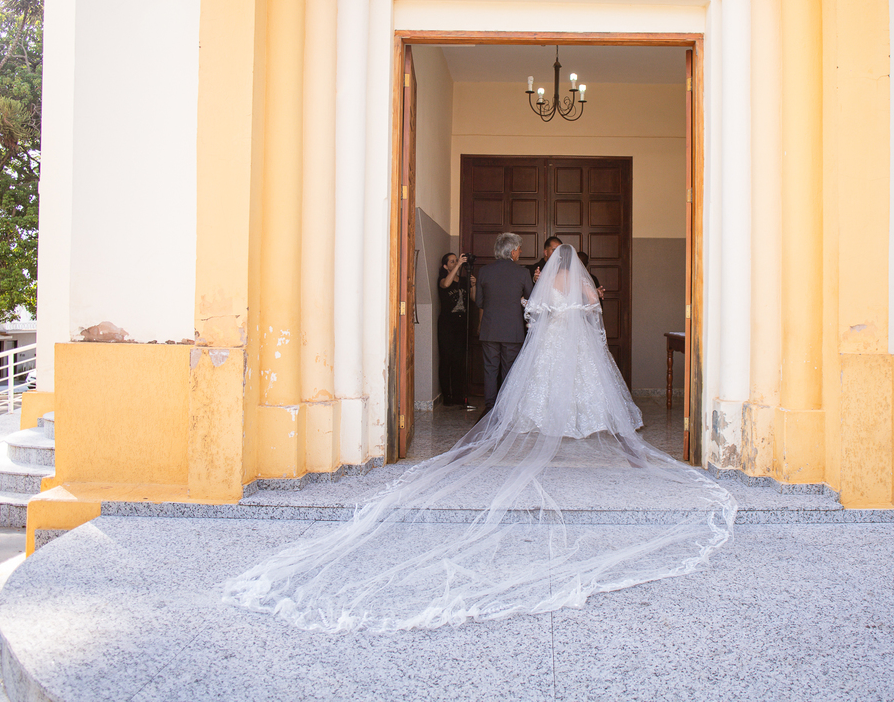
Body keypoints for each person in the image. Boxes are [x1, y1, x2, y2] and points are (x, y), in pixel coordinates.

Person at [222, 245, 736, 634]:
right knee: (587, 387)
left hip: (550, 345)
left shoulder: (545, 282)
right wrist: (581, 312)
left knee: (534, 388)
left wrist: (548, 313)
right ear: (576, 265)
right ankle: (585, 422)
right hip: (577, 347)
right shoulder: (581, 285)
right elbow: (593, 313)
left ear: (552, 263)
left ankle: (537, 420)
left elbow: (534, 314)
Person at [472, 232, 533, 415]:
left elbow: (479, 302)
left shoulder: (484, 271)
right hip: (512, 330)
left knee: (490, 369)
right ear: (513, 251)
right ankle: (506, 409)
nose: (520, 252)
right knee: (510, 370)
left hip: (490, 329)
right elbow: (531, 299)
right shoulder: (522, 272)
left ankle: (490, 407)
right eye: (519, 249)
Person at [436, 252, 475, 406]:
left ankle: (458, 395)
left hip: (461, 324)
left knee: (459, 360)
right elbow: (446, 285)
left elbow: (473, 298)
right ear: (446, 266)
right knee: (446, 359)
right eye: (452, 261)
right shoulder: (442, 279)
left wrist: (473, 285)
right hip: (447, 325)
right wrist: (459, 265)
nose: (455, 262)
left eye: (456, 260)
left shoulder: (464, 280)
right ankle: (447, 395)